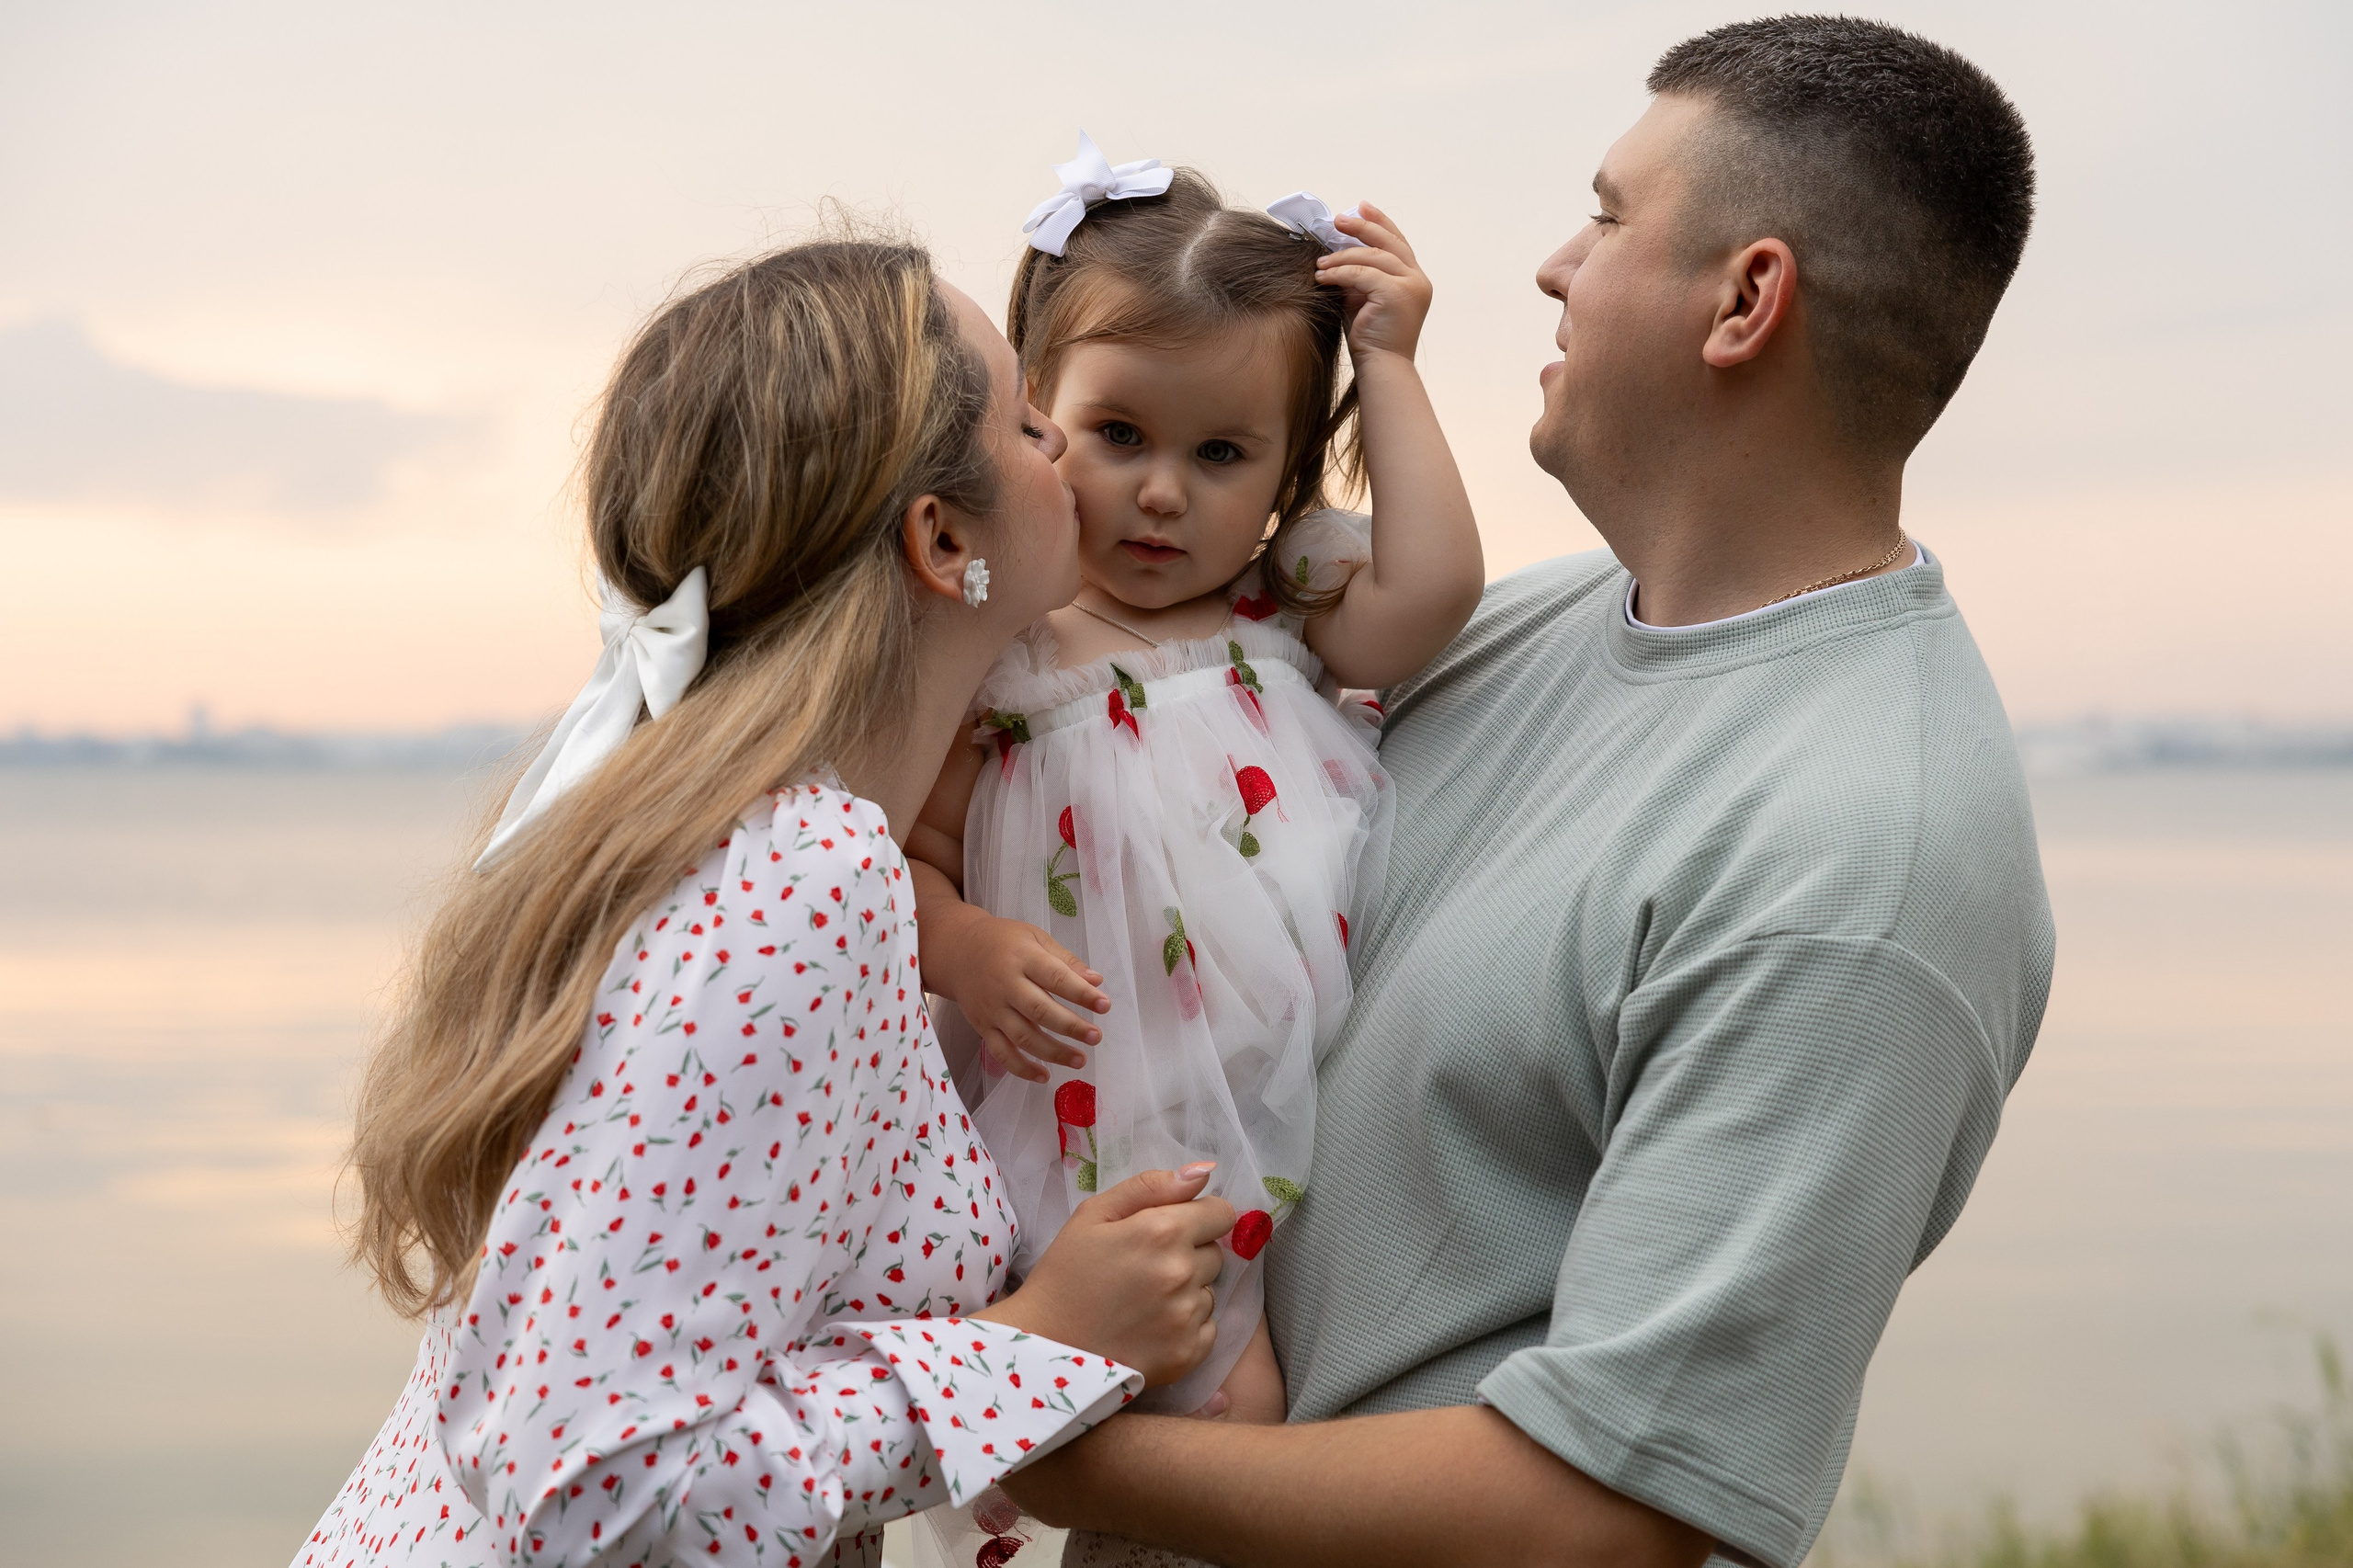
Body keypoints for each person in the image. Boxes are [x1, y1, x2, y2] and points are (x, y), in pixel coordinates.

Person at [996, 17, 2057, 1568]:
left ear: (1747, 298)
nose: (1557, 265)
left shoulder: (1864, 865)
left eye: (1613, 217)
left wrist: (1079, 1456)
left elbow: (1609, 1509)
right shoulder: (1522, 630)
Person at [295, 237, 1240, 1568]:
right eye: (1031, 423)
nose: (1070, 458)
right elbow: (600, 1494)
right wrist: (1031, 1345)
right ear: (944, 537)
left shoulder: (703, 823)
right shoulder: (808, 872)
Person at [904, 146, 1479, 1426]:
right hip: (1096, 1107)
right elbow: (914, 856)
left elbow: (1434, 589)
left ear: (1283, 479)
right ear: (1034, 412)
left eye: (1222, 453)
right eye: (1117, 436)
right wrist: (969, 947)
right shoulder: (1009, 650)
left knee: (1264, 1399)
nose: (1163, 492)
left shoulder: (1285, 598)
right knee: (1198, 1400)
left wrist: (1387, 365)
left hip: (1304, 1091)